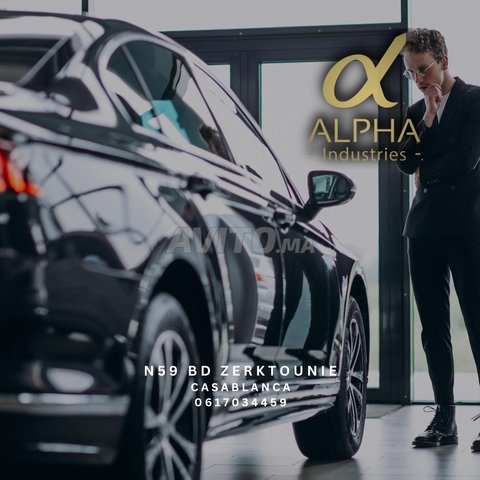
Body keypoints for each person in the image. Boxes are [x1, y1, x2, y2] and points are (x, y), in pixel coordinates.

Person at [398, 28, 480, 450]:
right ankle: (445, 420)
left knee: (478, 322)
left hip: (468, 227)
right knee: (433, 329)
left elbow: (466, 158)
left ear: (444, 61)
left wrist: (425, 170)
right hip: (424, 229)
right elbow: (403, 161)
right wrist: (428, 117)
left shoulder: (474, 100)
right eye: (411, 73)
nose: (418, 79)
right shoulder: (416, 112)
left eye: (423, 69)